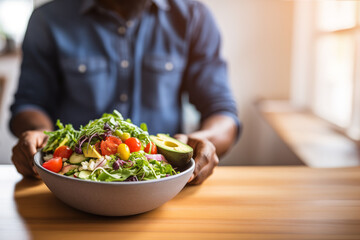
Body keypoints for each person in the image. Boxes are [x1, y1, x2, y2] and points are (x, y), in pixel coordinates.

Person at [10, 0, 240, 184]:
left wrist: (203, 141)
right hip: (72, 185)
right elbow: (30, 102)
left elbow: (222, 112)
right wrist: (40, 136)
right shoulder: (48, 19)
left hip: (164, 186)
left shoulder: (194, 17)